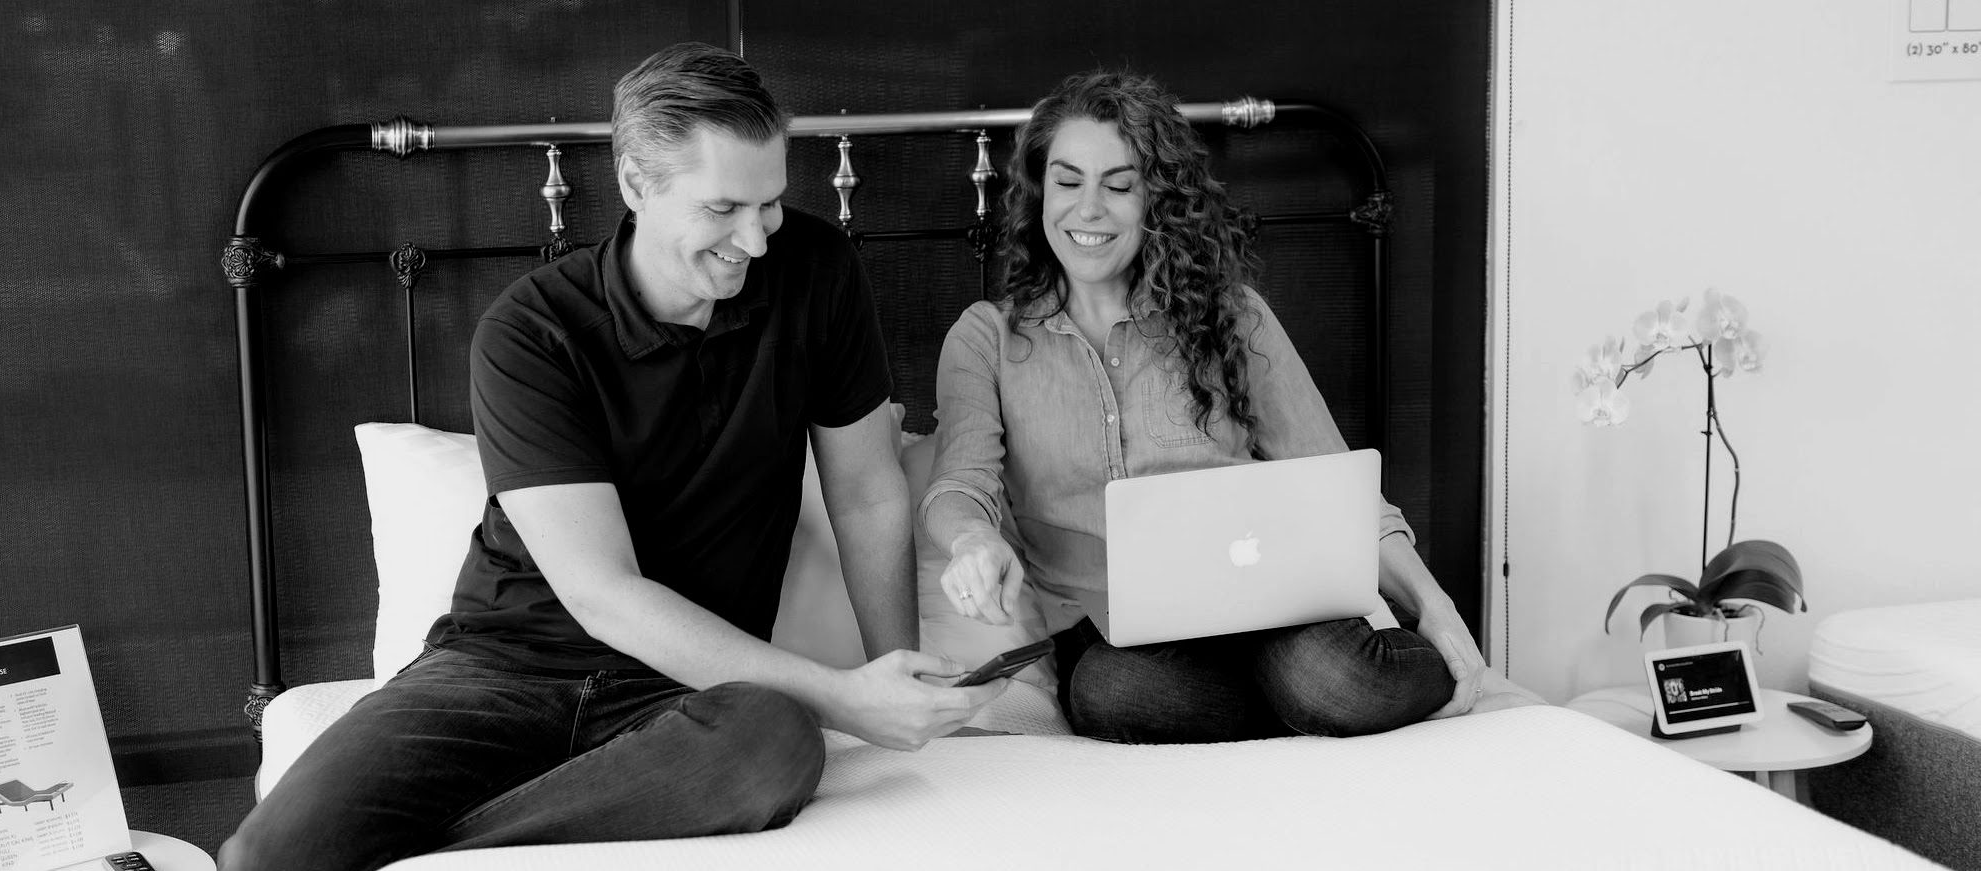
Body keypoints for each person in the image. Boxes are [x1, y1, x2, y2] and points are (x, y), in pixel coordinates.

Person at [222, 43, 1004, 870]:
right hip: (501, 670)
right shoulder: (532, 333)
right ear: (636, 184)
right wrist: (844, 696)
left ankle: (447, 858)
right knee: (269, 853)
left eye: (770, 204)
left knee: (774, 739)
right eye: (724, 207)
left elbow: (869, 493)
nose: (758, 239)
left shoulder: (818, 272)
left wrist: (894, 679)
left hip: (689, 691)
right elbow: (605, 594)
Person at [920, 70, 1539, 745]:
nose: (1088, 209)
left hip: (1272, 608)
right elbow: (960, 485)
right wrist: (973, 541)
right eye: (1068, 182)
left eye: (1119, 185)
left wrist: (1437, 606)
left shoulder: (1231, 317)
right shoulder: (985, 338)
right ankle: (1300, 703)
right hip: (1122, 641)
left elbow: (1337, 487)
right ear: (1040, 190)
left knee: (1331, 678)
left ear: (1156, 198)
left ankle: (1328, 687)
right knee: (1111, 694)